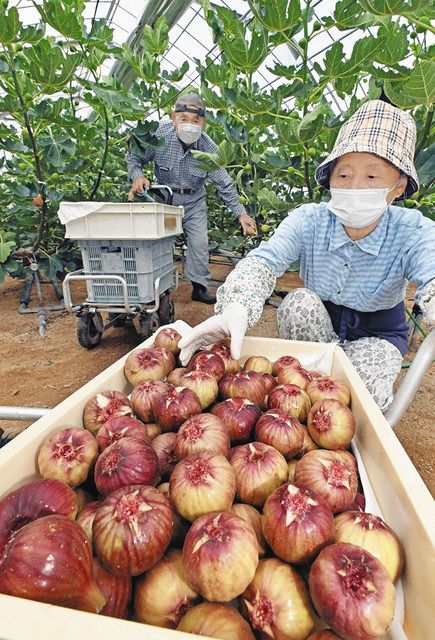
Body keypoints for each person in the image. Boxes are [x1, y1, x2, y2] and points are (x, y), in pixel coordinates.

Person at [177, 100, 435, 411]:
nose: (354, 187)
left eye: (372, 178)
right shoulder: (310, 219)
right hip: (317, 321)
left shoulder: (413, 230)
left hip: (376, 334)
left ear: (399, 186)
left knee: (353, 400)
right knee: (298, 306)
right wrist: (237, 308)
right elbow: (264, 261)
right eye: (343, 175)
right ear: (330, 179)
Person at [127, 93, 257, 304]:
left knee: (199, 243)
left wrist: (241, 214)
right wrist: (138, 176)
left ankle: (199, 288)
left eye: (196, 121)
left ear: (203, 122)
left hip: (194, 201)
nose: (190, 125)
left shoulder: (209, 149)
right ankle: (156, 287)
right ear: (173, 117)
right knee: (159, 244)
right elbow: (134, 157)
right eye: (184, 119)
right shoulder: (158, 135)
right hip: (165, 200)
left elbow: (223, 182)